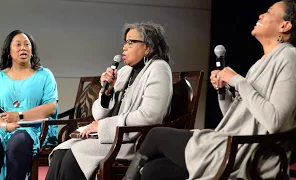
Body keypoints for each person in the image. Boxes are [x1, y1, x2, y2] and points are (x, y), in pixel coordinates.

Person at [124, 1, 296, 180]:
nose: (261, 15)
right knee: (155, 169)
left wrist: (237, 80)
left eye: (268, 12)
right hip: (232, 143)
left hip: (249, 154)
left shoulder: (289, 57)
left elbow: (275, 121)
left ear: (285, 25)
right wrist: (224, 93)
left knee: (156, 135)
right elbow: (237, 118)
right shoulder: (261, 63)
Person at [46, 22, 173, 180]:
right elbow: (98, 114)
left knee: (75, 156)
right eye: (125, 42)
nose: (124, 47)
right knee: (60, 152)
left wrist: (102, 127)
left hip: (132, 141)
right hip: (113, 136)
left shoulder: (159, 69)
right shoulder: (125, 71)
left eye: (131, 42)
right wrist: (107, 93)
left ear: (148, 47)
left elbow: (150, 116)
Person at [0, 30, 58, 180]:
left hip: (31, 129)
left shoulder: (45, 75)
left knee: (16, 146)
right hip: (1, 128)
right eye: (18, 44)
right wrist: (5, 126)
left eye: (27, 45)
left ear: (32, 51)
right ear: (9, 51)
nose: (23, 48)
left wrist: (19, 116)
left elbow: (50, 107)